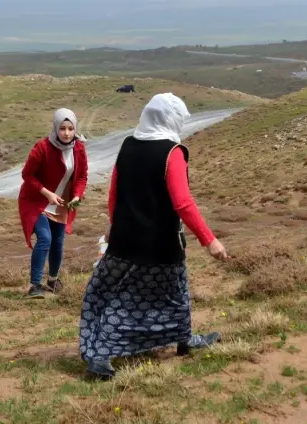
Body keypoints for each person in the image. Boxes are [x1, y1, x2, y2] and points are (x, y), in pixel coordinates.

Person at [78, 93, 228, 380]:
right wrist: (210, 240)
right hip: (160, 245)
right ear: (170, 119)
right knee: (162, 296)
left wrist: (113, 224)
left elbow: (114, 192)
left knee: (119, 293)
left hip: (123, 240)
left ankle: (184, 340)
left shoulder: (128, 145)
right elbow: (182, 203)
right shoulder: (173, 153)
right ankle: (101, 357)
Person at [18, 108, 88, 299]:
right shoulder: (42, 148)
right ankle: (35, 285)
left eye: (70, 128)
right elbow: (27, 175)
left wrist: (77, 196)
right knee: (45, 239)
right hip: (37, 200)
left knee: (57, 242)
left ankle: (53, 280)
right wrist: (47, 193)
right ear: (56, 127)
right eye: (62, 128)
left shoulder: (79, 148)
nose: (66, 133)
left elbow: (82, 176)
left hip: (61, 202)